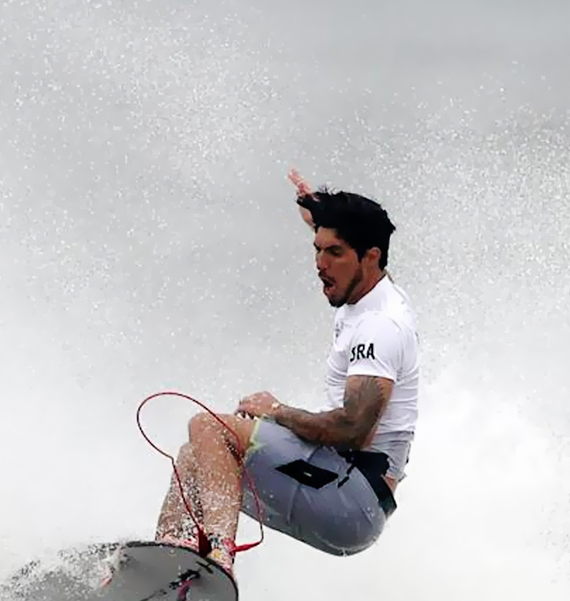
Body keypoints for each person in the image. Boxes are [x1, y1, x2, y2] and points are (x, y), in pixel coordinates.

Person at [154, 169, 420, 576]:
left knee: (210, 429)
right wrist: (318, 211)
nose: (320, 264)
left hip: (352, 498)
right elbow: (351, 237)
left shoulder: (380, 327)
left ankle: (217, 561)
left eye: (334, 253)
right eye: (317, 249)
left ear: (370, 256)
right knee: (194, 459)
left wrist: (275, 410)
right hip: (336, 487)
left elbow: (353, 430)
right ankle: (167, 569)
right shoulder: (371, 289)